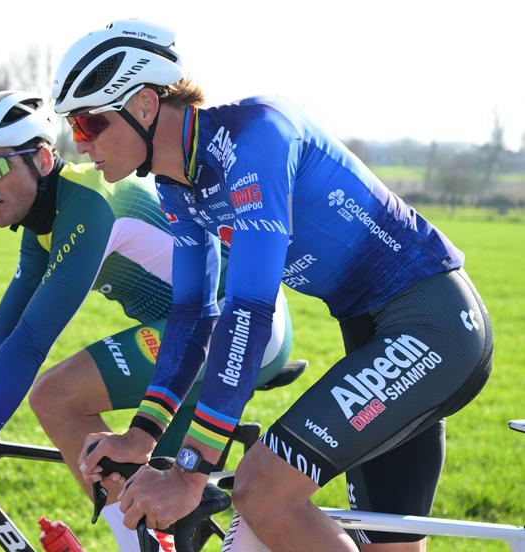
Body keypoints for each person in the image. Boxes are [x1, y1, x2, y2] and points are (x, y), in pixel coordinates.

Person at [52, 20, 493, 552]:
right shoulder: (177, 186)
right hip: (372, 335)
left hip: (433, 325)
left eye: (88, 125)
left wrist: (191, 471)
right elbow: (193, 314)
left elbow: (248, 311)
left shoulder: (256, 135)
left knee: (261, 488)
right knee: (388, 546)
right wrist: (142, 434)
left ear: (145, 105)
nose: (81, 147)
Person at [0, 90, 295, 551]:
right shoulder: (44, 223)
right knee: (123, 468)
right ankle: (149, 541)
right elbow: (1, 330)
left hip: (239, 327)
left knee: (56, 395)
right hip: (191, 333)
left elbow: (28, 342)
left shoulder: (88, 205)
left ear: (43, 159)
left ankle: (141, 545)